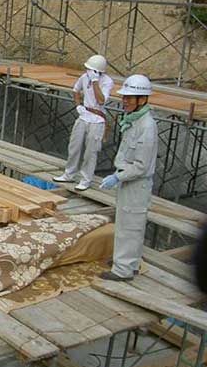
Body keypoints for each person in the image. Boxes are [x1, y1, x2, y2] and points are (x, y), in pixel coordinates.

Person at [99, 74, 158, 281]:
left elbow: (140, 166)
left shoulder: (147, 127)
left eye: (129, 98)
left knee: (130, 226)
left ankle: (123, 270)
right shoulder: (135, 120)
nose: (124, 101)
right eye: (124, 97)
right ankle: (126, 262)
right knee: (125, 223)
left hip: (135, 183)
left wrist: (117, 176)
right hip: (128, 180)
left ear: (142, 100)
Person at [54, 54, 114, 191]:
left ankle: (86, 179)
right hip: (84, 116)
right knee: (74, 146)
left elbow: (101, 100)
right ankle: (69, 174)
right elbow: (76, 90)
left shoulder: (107, 81)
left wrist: (95, 82)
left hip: (97, 119)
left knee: (90, 152)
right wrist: (78, 105)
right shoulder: (84, 76)